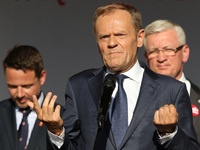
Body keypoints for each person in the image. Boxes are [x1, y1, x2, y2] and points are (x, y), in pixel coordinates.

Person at [29, 3, 199, 150]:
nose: (111, 43)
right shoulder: (79, 86)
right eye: (104, 37)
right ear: (97, 44)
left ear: (140, 38)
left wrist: (170, 133)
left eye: (120, 35)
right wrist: (56, 132)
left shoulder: (171, 90)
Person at [143, 19, 200, 143]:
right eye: (153, 51)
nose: (161, 58)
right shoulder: (136, 100)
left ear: (184, 53)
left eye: (169, 49)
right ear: (146, 58)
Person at [0, 45, 63, 150]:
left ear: (41, 77)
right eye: (12, 86)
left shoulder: (62, 117)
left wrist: (57, 132)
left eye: (26, 86)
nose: (20, 94)